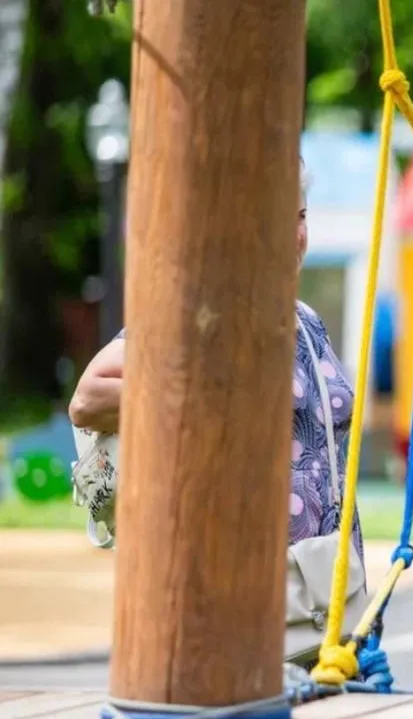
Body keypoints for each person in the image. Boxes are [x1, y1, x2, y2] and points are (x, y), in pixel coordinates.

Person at [67, 160, 365, 560]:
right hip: (237, 569)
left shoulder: (306, 320)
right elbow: (87, 401)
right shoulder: (203, 316)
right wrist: (195, 394)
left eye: (301, 216)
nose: (295, 235)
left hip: (325, 569)